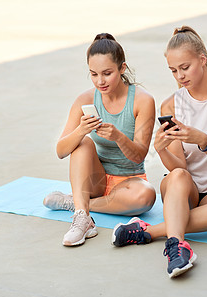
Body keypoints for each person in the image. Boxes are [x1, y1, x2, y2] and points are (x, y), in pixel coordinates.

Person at [112, 26, 207, 278]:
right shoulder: (171, 104)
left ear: (202, 59)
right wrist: (161, 149)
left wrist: (201, 139)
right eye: (173, 70)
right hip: (186, 191)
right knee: (175, 177)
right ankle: (177, 247)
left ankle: (147, 232)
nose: (179, 76)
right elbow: (179, 169)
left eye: (185, 68)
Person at [44, 33, 156, 247]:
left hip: (129, 183)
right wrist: (80, 131)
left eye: (107, 73)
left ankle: (76, 203)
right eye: (93, 74)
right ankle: (82, 217)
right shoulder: (85, 99)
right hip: (96, 180)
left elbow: (139, 155)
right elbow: (61, 150)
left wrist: (119, 137)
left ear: (122, 68)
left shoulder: (143, 100)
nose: (100, 81)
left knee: (146, 196)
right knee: (82, 143)